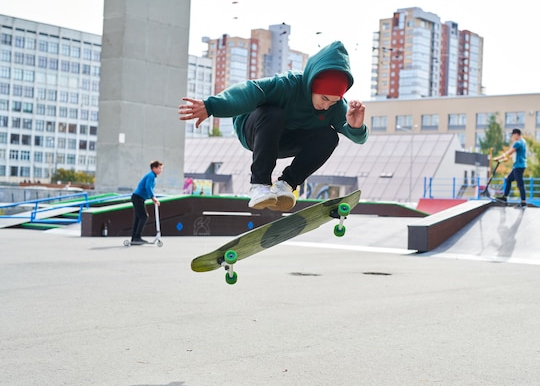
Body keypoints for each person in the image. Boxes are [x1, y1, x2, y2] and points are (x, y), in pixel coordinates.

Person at [178, 41, 368, 211]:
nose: (326, 106)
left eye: (333, 102)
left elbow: (358, 138)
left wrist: (356, 127)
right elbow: (249, 91)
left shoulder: (336, 108)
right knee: (273, 114)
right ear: (311, 85)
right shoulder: (287, 85)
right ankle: (259, 185)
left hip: (286, 141)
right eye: (324, 98)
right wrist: (211, 106)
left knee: (329, 136)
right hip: (255, 131)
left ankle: (285, 185)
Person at [130, 160, 162, 245]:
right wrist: (153, 197)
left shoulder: (153, 176)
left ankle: (134, 238)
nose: (160, 170)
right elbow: (148, 187)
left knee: (138, 218)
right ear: (154, 168)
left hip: (138, 198)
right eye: (159, 168)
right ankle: (137, 237)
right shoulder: (151, 176)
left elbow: (149, 187)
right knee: (144, 216)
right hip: (138, 197)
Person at [494, 128, 527, 208]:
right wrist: (507, 158)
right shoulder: (523, 142)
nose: (512, 137)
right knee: (508, 179)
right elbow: (517, 153)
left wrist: (499, 158)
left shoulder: (518, 143)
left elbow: (510, 151)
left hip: (518, 166)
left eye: (513, 135)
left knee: (520, 184)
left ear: (516, 134)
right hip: (519, 165)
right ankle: (504, 198)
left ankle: (523, 203)